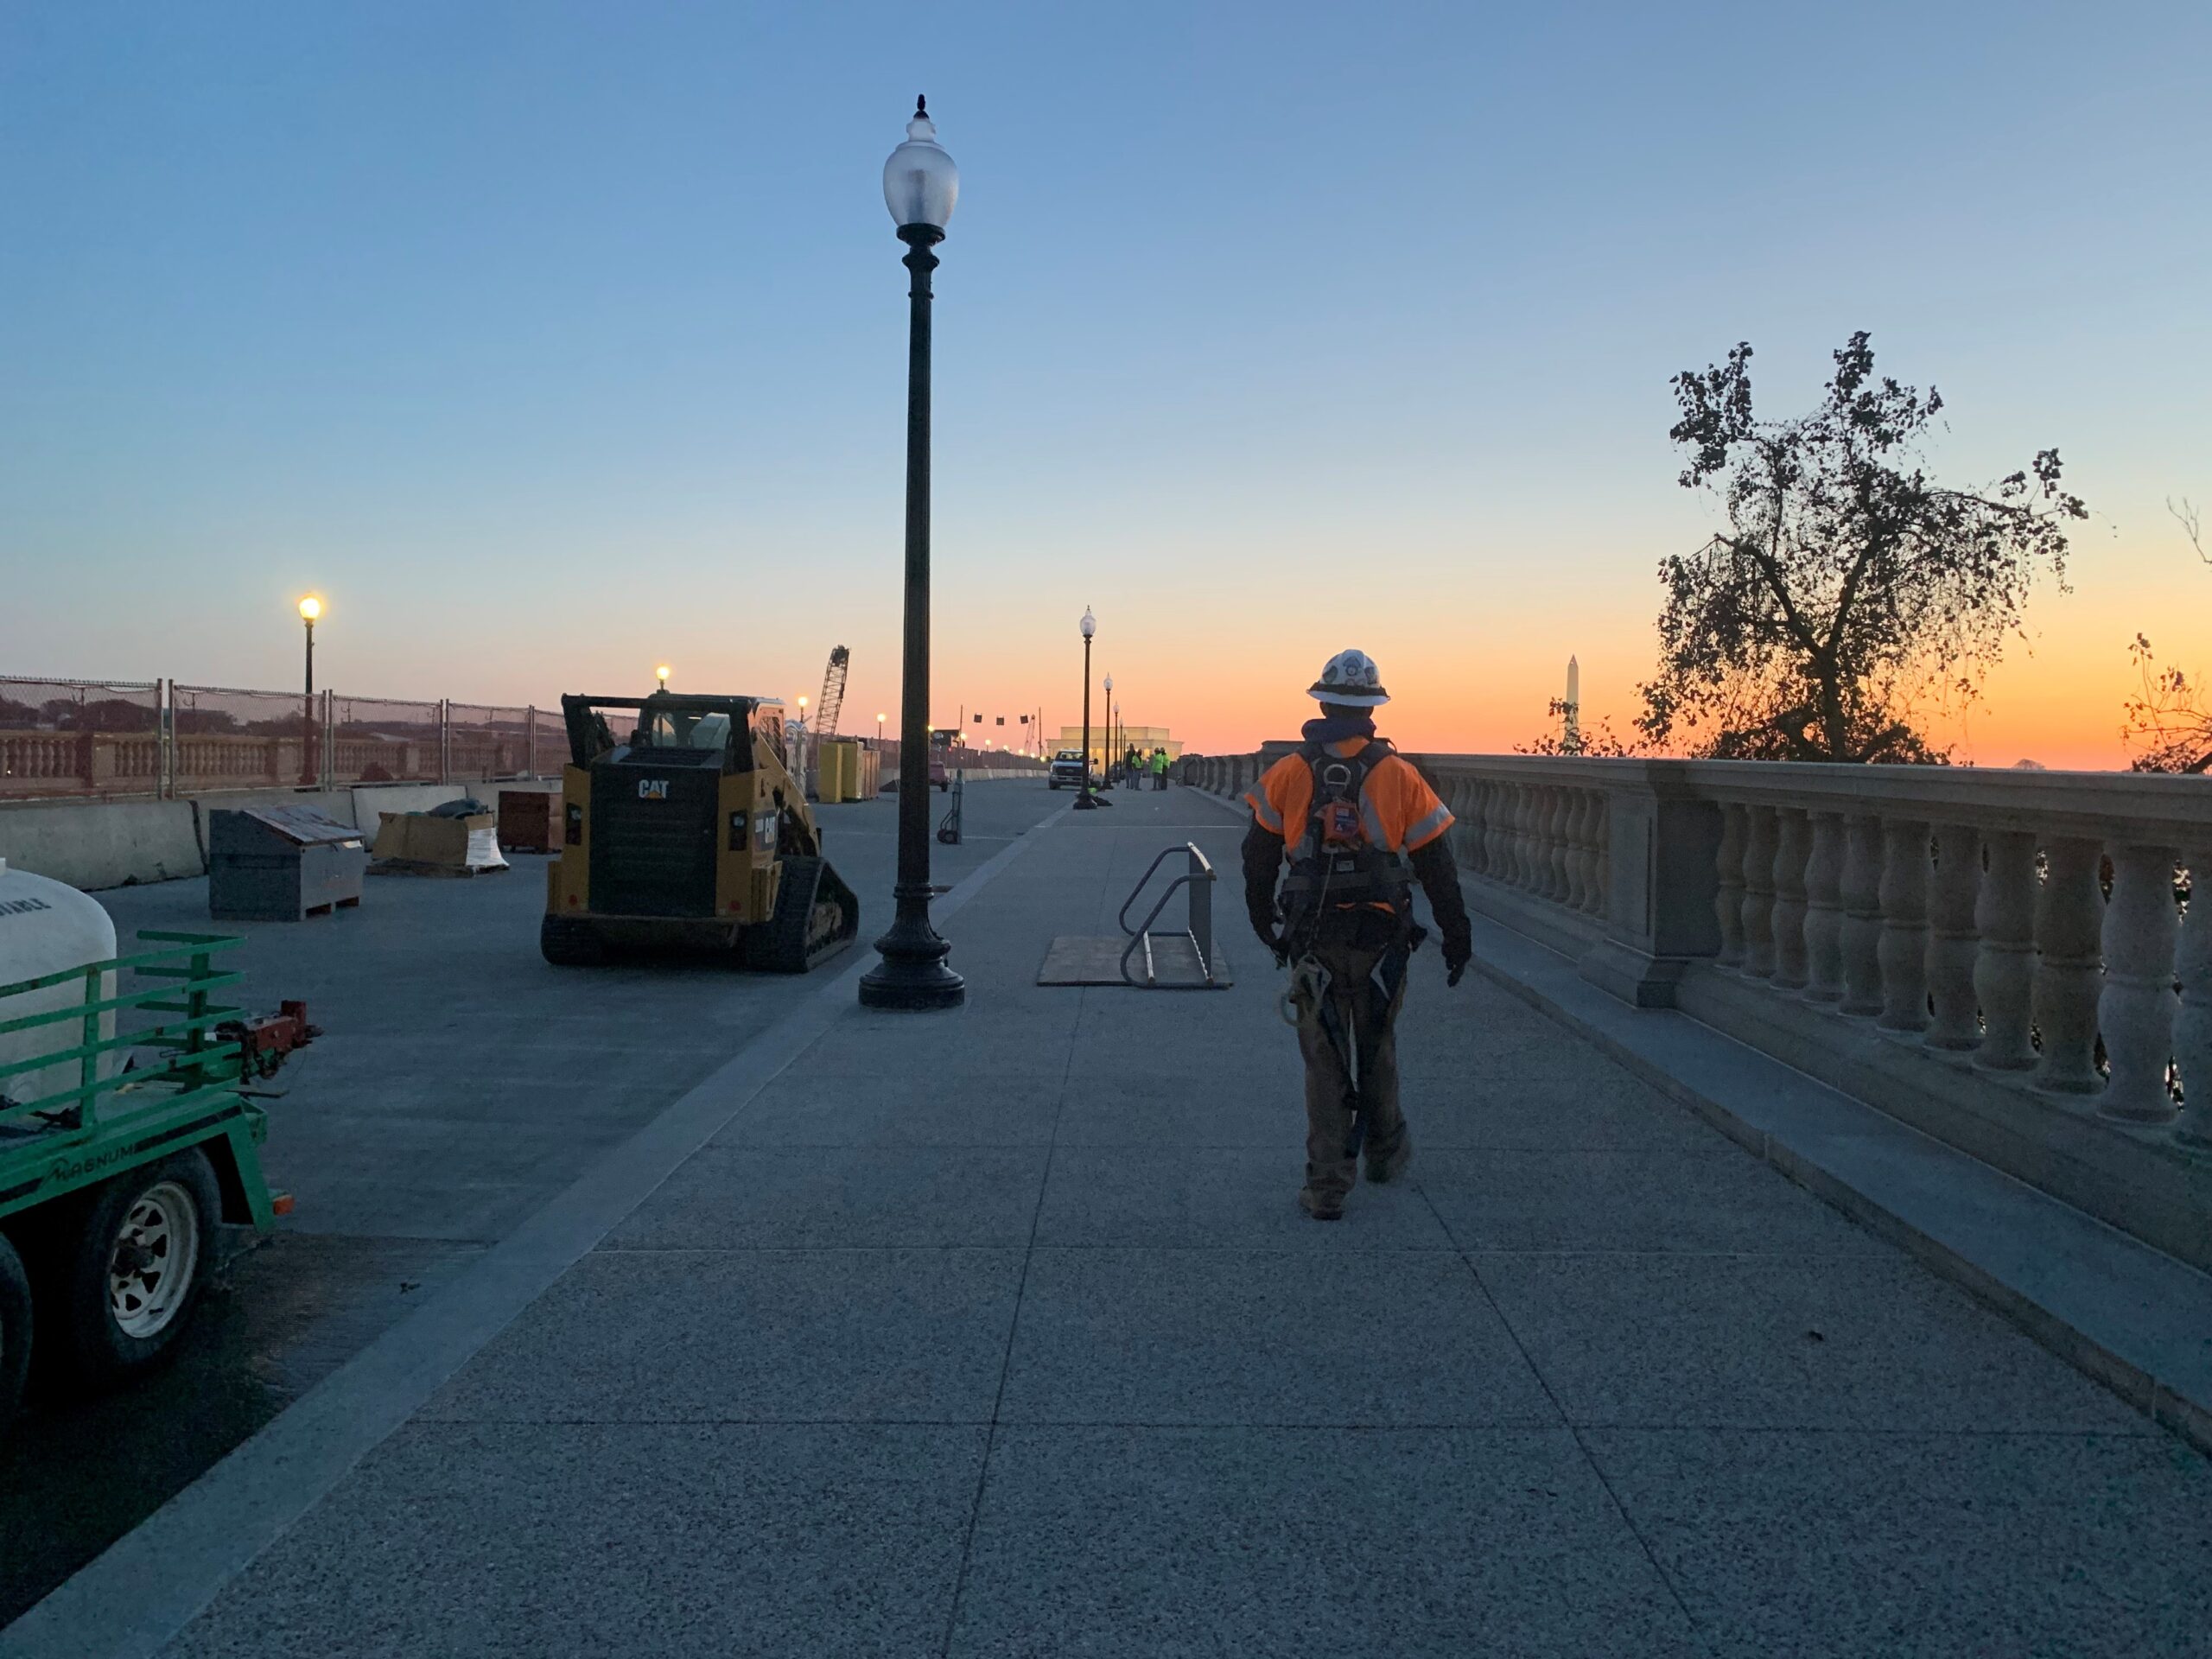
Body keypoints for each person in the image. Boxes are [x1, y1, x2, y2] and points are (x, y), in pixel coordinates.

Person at [1241, 649, 1472, 1220]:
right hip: (1381, 940)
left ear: (1321, 702)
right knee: (1377, 1049)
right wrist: (1456, 933)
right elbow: (1437, 865)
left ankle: (1326, 1187)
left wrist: (1261, 920)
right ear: (1372, 709)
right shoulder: (1400, 776)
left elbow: (1258, 857)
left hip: (1313, 937)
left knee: (1323, 1061)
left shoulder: (1289, 772)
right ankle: (1385, 1153)